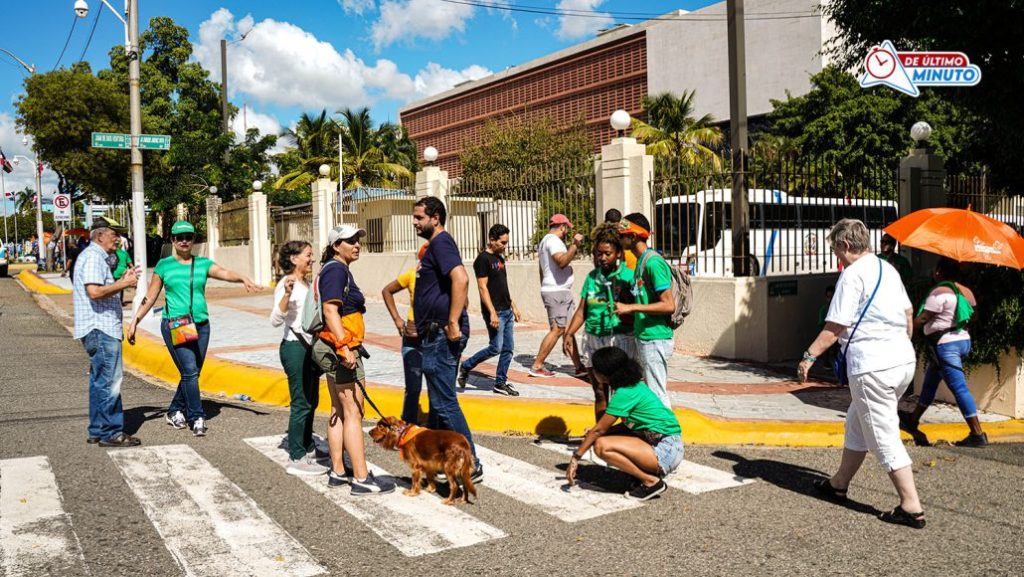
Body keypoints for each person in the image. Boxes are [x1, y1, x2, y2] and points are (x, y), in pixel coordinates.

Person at [797, 218, 926, 529]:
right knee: (858, 419)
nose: (836, 257)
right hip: (901, 362)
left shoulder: (852, 275)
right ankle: (839, 483)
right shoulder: (888, 269)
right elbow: (909, 314)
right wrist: (897, 346)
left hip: (872, 365)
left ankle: (911, 505)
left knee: (883, 433)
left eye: (835, 250)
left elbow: (836, 325)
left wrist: (808, 356)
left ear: (844, 245)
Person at [127, 220, 261, 438]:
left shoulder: (203, 264)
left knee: (192, 373)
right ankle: (196, 416)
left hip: (201, 324)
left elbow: (225, 273)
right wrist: (135, 321)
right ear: (172, 240)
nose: (184, 241)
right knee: (189, 371)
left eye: (188, 237)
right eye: (179, 237)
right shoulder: (164, 266)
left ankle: (174, 410)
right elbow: (150, 296)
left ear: (193, 240)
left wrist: (242, 278)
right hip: (177, 324)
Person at [316, 224, 396, 495]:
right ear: (336, 246)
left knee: (339, 409)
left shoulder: (332, 268)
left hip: (333, 346)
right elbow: (330, 310)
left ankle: (338, 471)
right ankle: (361, 478)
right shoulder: (337, 269)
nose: (356, 244)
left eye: (357, 240)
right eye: (349, 241)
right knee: (353, 413)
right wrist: (345, 347)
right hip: (342, 348)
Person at [412, 196, 483, 482]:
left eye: (419, 217)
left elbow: (461, 279)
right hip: (433, 331)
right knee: (439, 400)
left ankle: (469, 462)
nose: (415, 222)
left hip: (441, 332)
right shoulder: (436, 246)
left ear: (436, 217)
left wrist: (452, 321)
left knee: (443, 402)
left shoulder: (441, 243)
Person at [565, 346, 683, 501]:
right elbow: (628, 426)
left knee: (601, 445)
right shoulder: (632, 386)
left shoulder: (624, 394)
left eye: (594, 369)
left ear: (604, 374)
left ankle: (651, 481)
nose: (592, 372)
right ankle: (644, 475)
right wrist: (600, 431)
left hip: (666, 450)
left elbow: (598, 431)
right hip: (665, 444)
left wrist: (575, 458)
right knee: (606, 437)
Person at [901, 258, 987, 447]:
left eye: (935, 269)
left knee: (958, 388)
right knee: (931, 382)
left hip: (945, 345)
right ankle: (913, 419)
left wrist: (904, 334)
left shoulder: (940, 292)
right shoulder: (967, 293)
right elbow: (975, 317)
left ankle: (977, 433)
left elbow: (923, 319)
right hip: (962, 340)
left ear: (939, 271)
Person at [73, 218, 141, 447]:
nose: (118, 238)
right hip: (100, 328)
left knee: (99, 381)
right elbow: (94, 292)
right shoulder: (93, 257)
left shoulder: (95, 257)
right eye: (114, 234)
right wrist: (124, 284)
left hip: (98, 327)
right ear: (100, 235)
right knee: (110, 382)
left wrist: (122, 281)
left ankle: (97, 429)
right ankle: (111, 432)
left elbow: (100, 289)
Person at [564, 222, 636, 420]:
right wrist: (569, 333)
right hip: (593, 339)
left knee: (622, 394)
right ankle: (602, 435)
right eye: (598, 253)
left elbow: (638, 312)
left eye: (607, 253)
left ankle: (625, 434)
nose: (602, 258)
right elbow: (582, 310)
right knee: (600, 392)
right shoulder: (592, 277)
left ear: (618, 253)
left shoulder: (629, 277)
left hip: (619, 340)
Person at [270, 240, 329, 476]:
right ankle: (296, 455)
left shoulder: (306, 282)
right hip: (295, 348)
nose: (311, 259)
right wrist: (286, 294)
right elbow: (274, 320)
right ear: (294, 259)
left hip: (310, 347)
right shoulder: (288, 283)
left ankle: (308, 446)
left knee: (311, 400)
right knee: (301, 402)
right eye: (307, 255)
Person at [615, 213, 676, 409]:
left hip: (655, 338)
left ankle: (669, 437)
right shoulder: (641, 262)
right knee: (649, 392)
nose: (620, 239)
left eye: (622, 234)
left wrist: (631, 307)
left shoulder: (653, 262)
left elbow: (668, 305)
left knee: (657, 394)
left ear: (633, 236)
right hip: (645, 336)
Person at [458, 224, 523, 396]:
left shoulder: (500, 259)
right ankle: (466, 366)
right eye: (502, 242)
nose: (505, 246)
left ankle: (500, 383)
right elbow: (482, 288)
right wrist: (492, 312)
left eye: (506, 242)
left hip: (507, 310)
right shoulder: (483, 260)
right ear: (492, 240)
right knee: (496, 347)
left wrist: (513, 305)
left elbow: (502, 286)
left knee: (508, 348)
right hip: (495, 312)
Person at [530, 214, 586, 378]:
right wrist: (575, 245)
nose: (567, 231)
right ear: (562, 227)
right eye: (566, 228)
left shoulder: (544, 242)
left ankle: (578, 366)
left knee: (568, 329)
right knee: (558, 329)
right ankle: (537, 365)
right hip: (557, 291)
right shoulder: (553, 241)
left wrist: (545, 287)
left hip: (558, 290)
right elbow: (561, 261)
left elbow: (542, 270)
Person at [382, 243, 429, 424]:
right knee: (413, 386)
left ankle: (436, 425)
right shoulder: (412, 275)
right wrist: (397, 320)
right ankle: (408, 424)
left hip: (433, 338)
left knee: (435, 387)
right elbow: (387, 291)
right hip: (412, 338)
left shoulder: (443, 278)